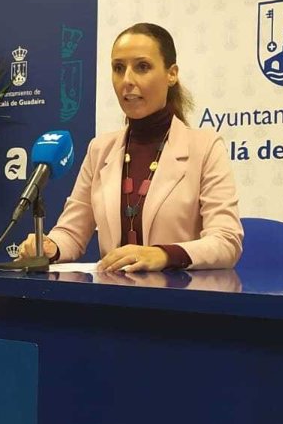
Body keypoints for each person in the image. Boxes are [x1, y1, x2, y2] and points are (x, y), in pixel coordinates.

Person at [18, 22, 242, 271]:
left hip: (180, 292)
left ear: (171, 74)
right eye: (118, 68)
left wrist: (163, 255)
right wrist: (49, 246)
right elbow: (71, 233)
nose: (127, 80)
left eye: (142, 67)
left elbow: (226, 241)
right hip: (113, 292)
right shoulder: (100, 149)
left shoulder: (206, 146)